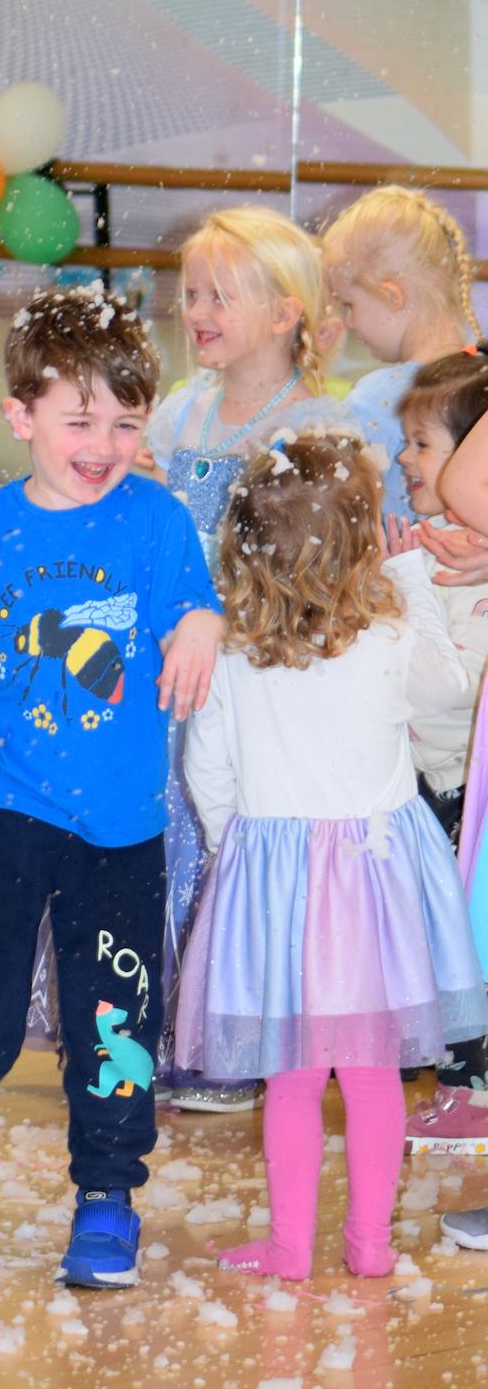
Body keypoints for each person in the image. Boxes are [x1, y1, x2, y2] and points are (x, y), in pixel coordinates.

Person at [0, 286, 222, 1290]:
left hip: (119, 830)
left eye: (125, 423)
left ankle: (108, 1192)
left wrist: (202, 625)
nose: (104, 445)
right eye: (80, 421)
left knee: (115, 1019)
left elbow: (193, 603)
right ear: (21, 416)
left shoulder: (156, 519)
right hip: (1, 811)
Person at [176, 432, 486, 1279]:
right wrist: (412, 579)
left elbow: (209, 771)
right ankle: (370, 1245)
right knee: (373, 1075)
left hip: (278, 891)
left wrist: (234, 852)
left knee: (295, 1078)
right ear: (360, 542)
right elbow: (453, 686)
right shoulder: (386, 635)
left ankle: (290, 1246)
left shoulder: (235, 650)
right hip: (375, 886)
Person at [147, 206, 352, 1113]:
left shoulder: (315, 426)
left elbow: (320, 563)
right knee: (160, 835)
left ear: (285, 311)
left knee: (228, 838)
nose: (198, 310)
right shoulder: (179, 411)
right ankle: (151, 1027)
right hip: (167, 664)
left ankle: (227, 1041)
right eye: (191, 293)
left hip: (252, 668)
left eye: (221, 295)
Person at [391, 353, 488, 1147]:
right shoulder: (429, 549)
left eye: (422, 443)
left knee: (467, 950)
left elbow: (448, 689)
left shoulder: (461, 567)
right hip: (424, 781)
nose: (403, 458)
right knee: (438, 943)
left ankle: (470, 1086)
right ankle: (451, 1075)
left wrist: (405, 589)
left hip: (465, 788)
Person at [322, 185, 477, 520]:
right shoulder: (480, 379)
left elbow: (336, 512)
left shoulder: (377, 399)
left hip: (392, 555)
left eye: (349, 304)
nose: (348, 322)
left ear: (392, 296)